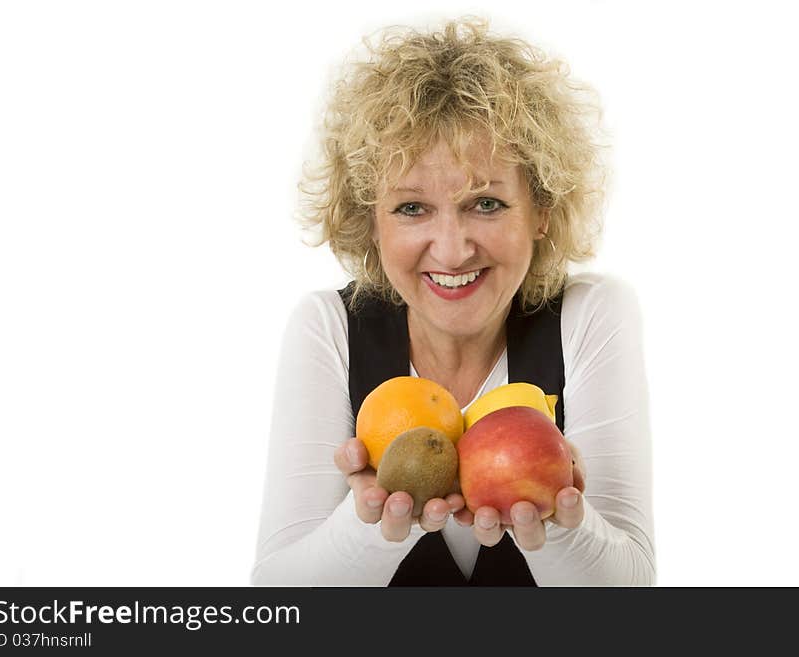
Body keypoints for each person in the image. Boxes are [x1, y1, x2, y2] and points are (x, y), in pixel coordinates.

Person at [251, 17, 655, 586]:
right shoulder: (328, 328)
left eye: (485, 204)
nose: (452, 248)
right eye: (412, 208)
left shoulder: (591, 316)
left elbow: (632, 589)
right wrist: (376, 521)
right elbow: (277, 599)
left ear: (541, 210)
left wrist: (564, 523)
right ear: (371, 220)